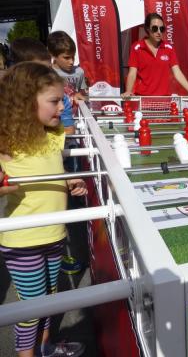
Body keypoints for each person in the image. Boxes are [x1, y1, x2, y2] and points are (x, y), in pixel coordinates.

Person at [0, 62, 88, 357]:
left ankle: (46, 347)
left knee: (49, 298)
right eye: (54, 100)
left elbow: (55, 169)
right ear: (26, 103)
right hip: (22, 241)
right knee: (31, 309)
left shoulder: (52, 137)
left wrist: (70, 180)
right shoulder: (6, 146)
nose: (62, 105)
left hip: (55, 234)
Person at [121, 13, 188, 98]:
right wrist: (128, 91)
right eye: (155, 28)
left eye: (162, 29)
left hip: (164, 100)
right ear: (147, 29)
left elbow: (178, 73)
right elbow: (132, 73)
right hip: (143, 99)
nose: (159, 32)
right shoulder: (137, 48)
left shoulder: (168, 48)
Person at [10, 37, 75, 135]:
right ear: (19, 70)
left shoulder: (60, 99)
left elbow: (69, 131)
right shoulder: (6, 100)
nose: (47, 75)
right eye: (38, 71)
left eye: (48, 69)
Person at [47, 31, 88, 111]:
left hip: (76, 117)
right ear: (53, 55)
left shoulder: (79, 72)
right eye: (66, 58)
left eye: (73, 57)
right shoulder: (47, 73)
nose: (71, 62)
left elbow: (83, 94)